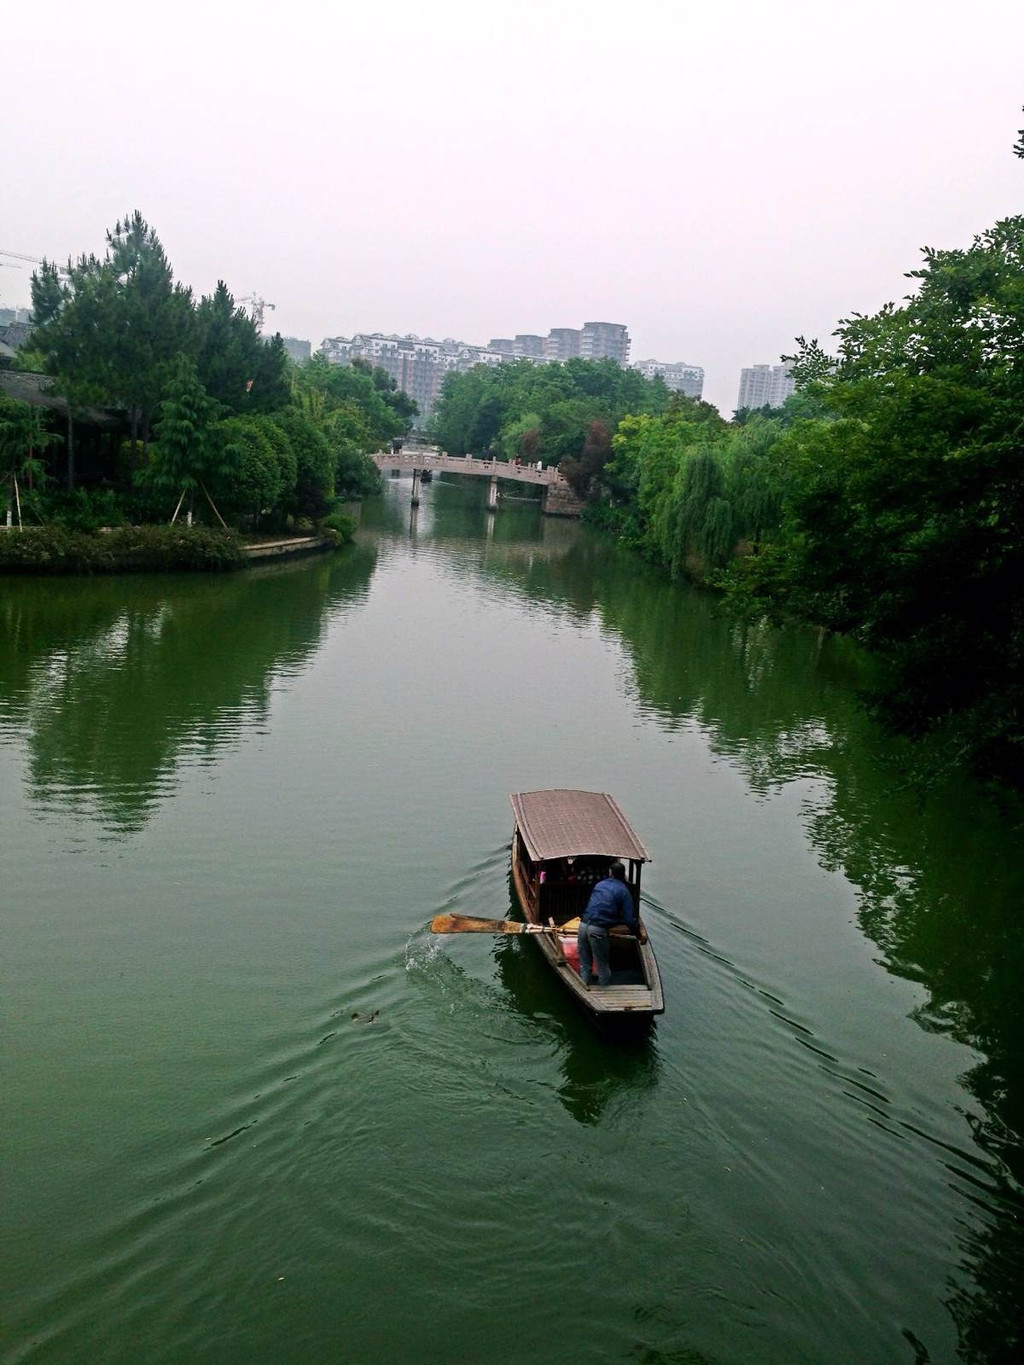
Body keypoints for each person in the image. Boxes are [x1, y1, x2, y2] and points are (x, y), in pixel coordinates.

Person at [577, 861, 640, 987]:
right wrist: (637, 933)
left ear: (610, 873)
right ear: (623, 875)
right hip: (598, 931)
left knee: (584, 963)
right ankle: (604, 988)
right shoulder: (624, 891)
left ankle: (584, 985)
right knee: (602, 964)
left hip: (583, 926)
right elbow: (628, 919)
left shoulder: (600, 885)